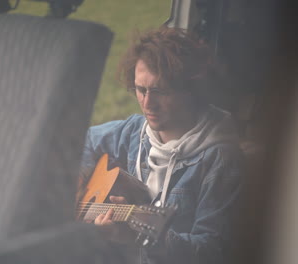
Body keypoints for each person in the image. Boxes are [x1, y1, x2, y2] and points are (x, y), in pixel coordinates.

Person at [79, 27, 243, 264]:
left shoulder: (220, 159)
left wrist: (142, 237)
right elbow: (80, 142)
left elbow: (211, 250)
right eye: (140, 89)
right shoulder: (133, 131)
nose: (147, 103)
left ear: (191, 90)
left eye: (159, 91)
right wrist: (81, 190)